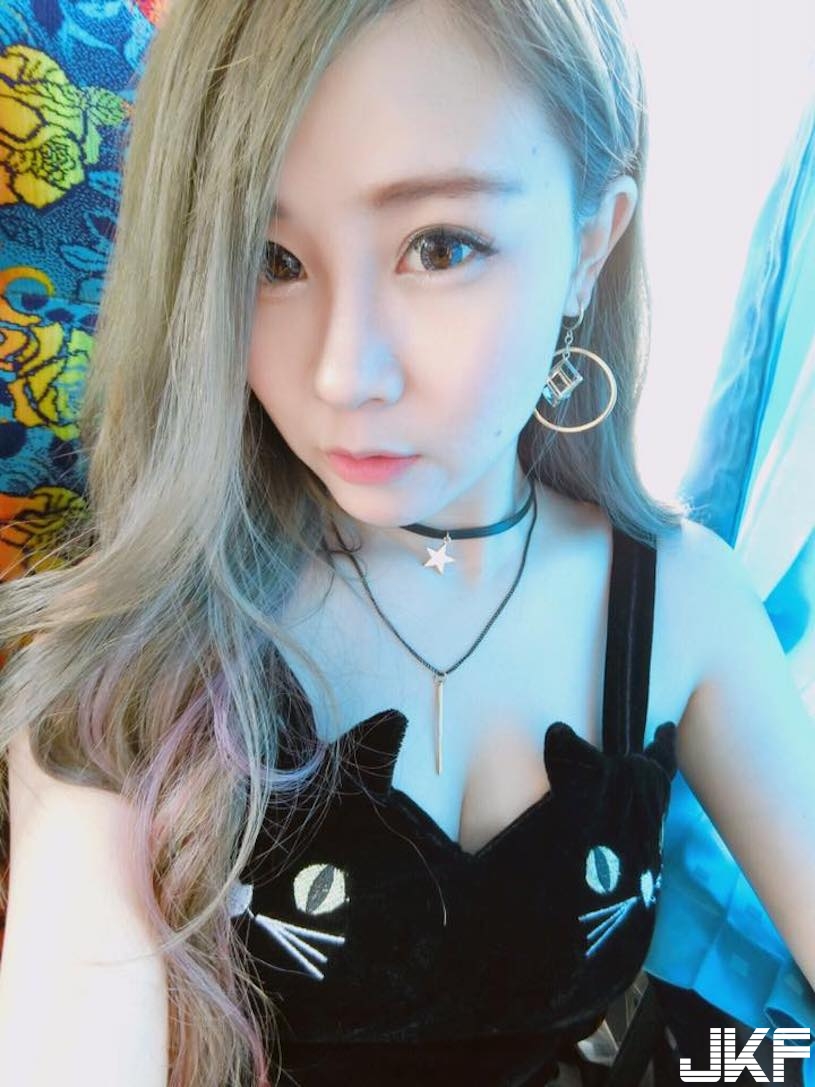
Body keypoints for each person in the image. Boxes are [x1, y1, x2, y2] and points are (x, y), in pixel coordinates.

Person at [0, 1, 812, 1086]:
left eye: (439, 247)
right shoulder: (129, 665)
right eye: (271, 259)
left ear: (589, 245)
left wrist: (742, 1066)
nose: (344, 373)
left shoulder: (678, 603)